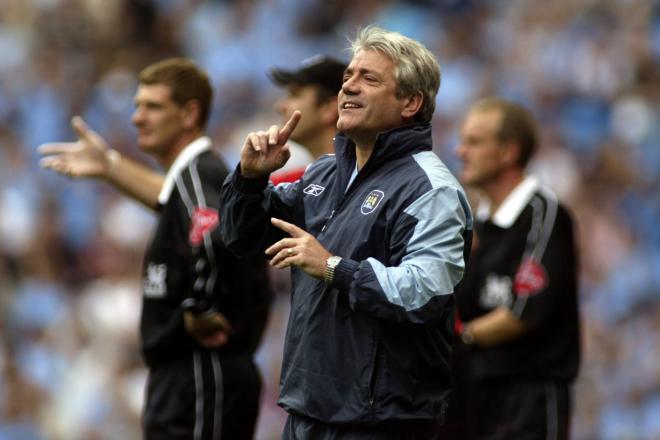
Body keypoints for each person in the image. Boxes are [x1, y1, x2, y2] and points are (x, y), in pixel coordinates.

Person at [219, 26, 473, 439]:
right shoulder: (325, 172)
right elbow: (240, 237)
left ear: (411, 102)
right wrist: (249, 179)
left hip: (380, 422)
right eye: (347, 78)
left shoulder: (431, 189)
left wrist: (335, 267)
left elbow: (425, 292)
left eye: (369, 79)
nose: (349, 88)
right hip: (308, 410)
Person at [39, 58, 272, 440]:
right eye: (136, 106)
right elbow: (172, 201)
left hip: (200, 374)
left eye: (152, 106)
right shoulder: (189, 181)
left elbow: (215, 235)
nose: (137, 118)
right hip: (185, 380)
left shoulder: (200, 177)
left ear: (189, 113)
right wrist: (110, 166)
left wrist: (200, 307)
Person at [447, 97, 581, 439]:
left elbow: (523, 312)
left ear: (508, 152)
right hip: (476, 392)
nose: (461, 152)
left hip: (529, 396)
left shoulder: (544, 214)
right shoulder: (477, 223)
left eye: (474, 142)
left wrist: (458, 339)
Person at [268, 54, 346, 185]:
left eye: (294, 95)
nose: (280, 106)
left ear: (329, 109)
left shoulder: (364, 180)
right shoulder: (289, 185)